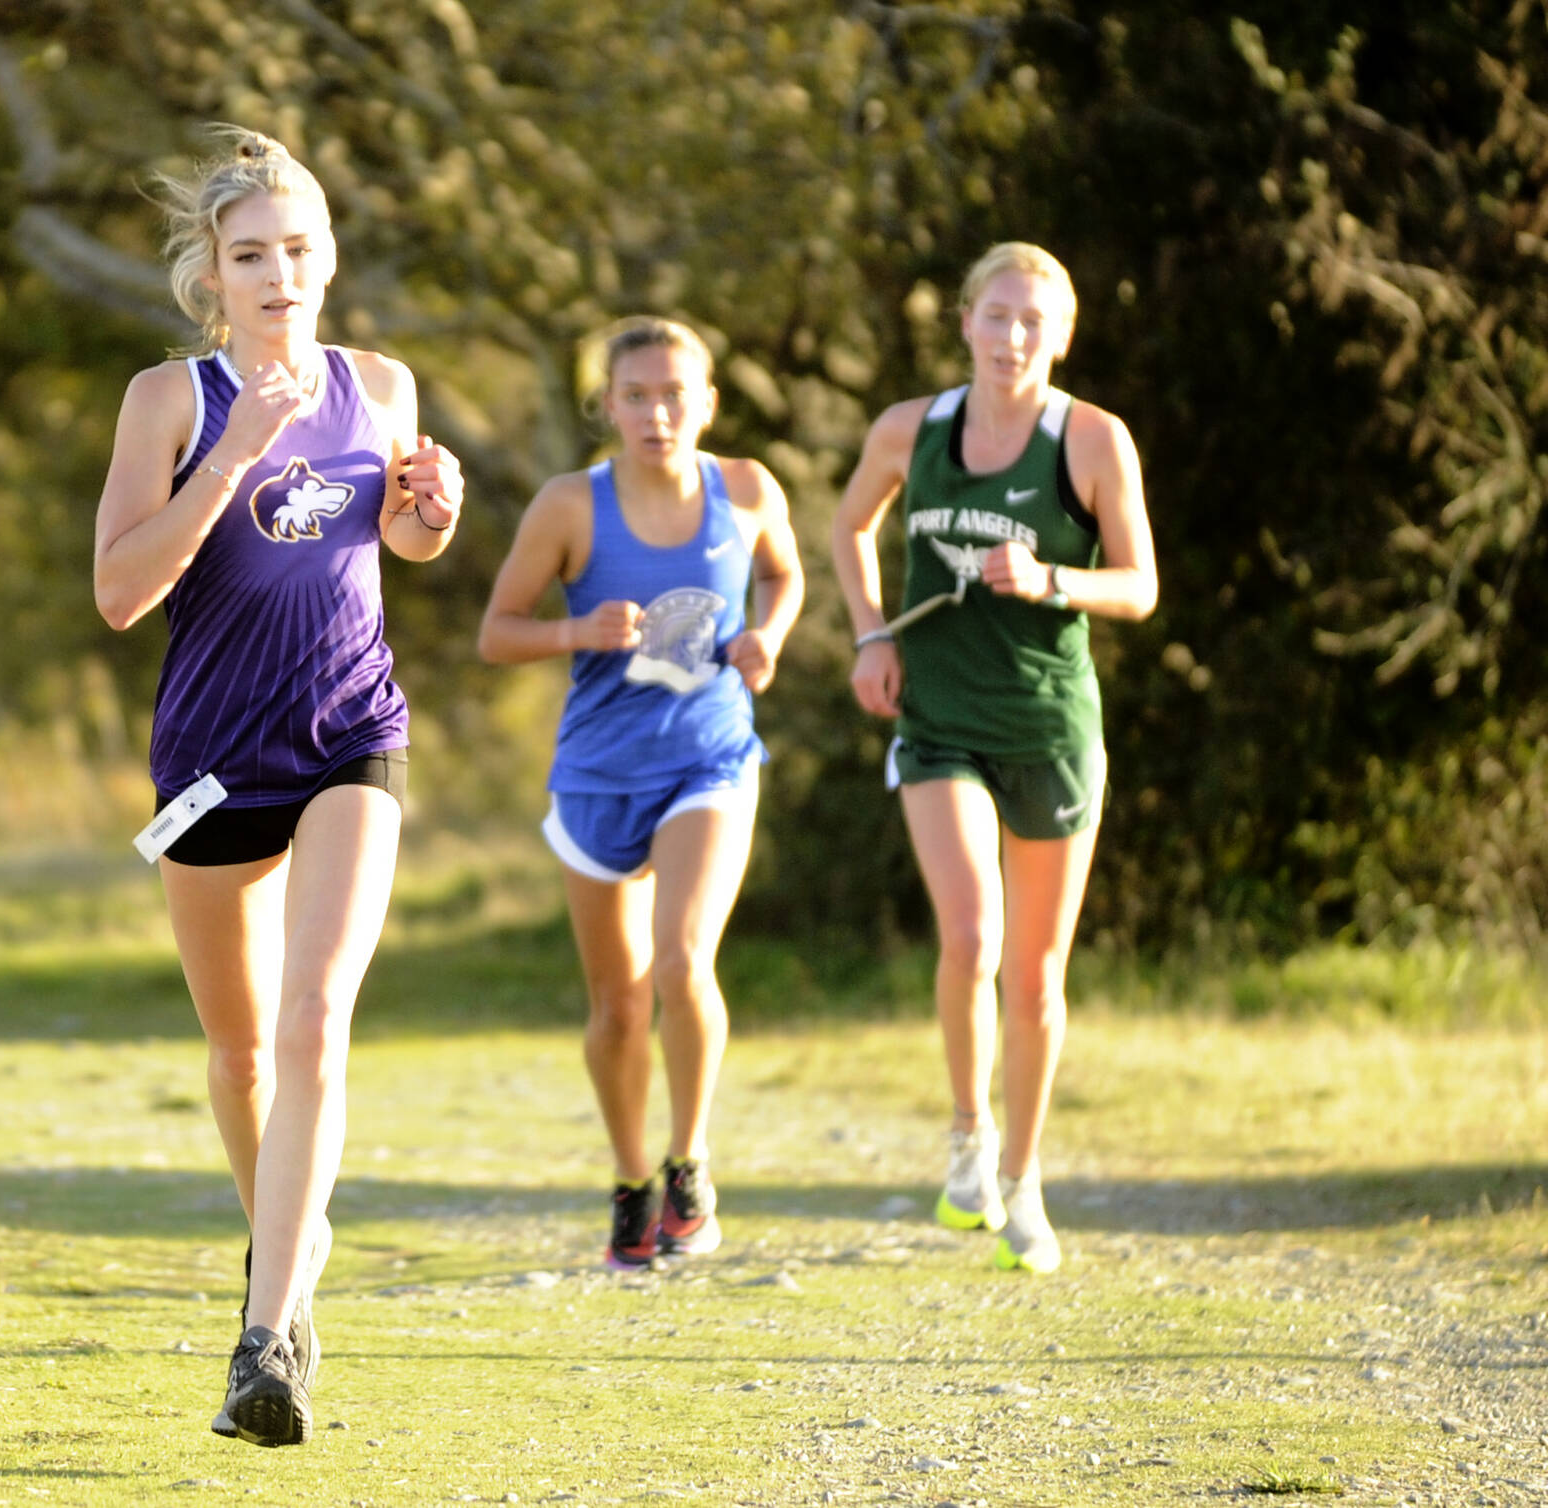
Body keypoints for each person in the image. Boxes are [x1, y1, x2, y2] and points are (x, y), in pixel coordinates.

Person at [92, 126, 463, 1446]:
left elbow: (402, 542)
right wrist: (236, 451)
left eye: (299, 248)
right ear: (213, 272)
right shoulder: (168, 401)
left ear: (328, 256)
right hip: (207, 766)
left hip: (350, 734)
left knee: (313, 1025)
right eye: (251, 253)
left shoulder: (382, 382)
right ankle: (285, 1275)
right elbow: (123, 592)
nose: (280, 272)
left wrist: (432, 511)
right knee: (243, 1052)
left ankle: (265, 1341)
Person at [831, 243, 1157, 1274]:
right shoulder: (907, 429)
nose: (1013, 337)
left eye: (1034, 322)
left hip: (1049, 728)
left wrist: (1054, 577)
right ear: (965, 320)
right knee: (970, 935)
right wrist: (871, 634)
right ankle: (967, 1136)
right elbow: (847, 528)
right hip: (936, 721)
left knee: (1032, 974)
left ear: (1058, 338)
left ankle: (1022, 1179)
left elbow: (1140, 585)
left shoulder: (1091, 439)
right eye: (997, 315)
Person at [479, 317, 803, 1269]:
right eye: (636, 395)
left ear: (707, 403)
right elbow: (497, 633)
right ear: (608, 406)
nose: (657, 413)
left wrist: (767, 636)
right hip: (596, 775)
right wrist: (577, 635)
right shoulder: (569, 507)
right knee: (618, 1006)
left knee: (681, 960)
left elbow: (782, 573)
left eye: (675, 394)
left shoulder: (744, 489)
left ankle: (690, 1164)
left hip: (709, 757)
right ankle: (632, 1181)